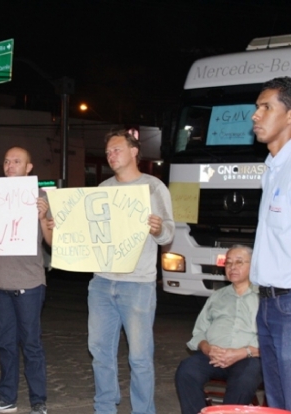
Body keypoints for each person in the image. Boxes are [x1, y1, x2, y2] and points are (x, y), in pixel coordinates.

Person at [88, 130, 174, 414]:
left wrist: (159, 229)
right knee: (100, 353)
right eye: (108, 152)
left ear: (135, 151)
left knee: (139, 358)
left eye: (117, 150)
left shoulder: (153, 188)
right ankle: (104, 408)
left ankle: (143, 411)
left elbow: (168, 234)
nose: (111, 156)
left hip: (137, 284)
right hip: (101, 282)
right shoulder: (102, 188)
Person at [0, 147, 53, 414]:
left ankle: (38, 401)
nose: (10, 165)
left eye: (16, 161)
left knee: (31, 344)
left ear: (29, 168)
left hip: (30, 283)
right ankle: (7, 397)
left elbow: (53, 242)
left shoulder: (41, 197)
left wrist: (43, 218)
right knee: (5, 344)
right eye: (6, 161)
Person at [175, 245, 262, 414]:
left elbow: (272, 338)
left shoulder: (265, 298)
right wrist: (207, 348)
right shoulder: (217, 296)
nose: (232, 267)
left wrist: (243, 352)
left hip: (248, 357)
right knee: (187, 370)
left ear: (253, 265)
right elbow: (199, 331)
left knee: (246, 377)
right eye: (228, 263)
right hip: (213, 356)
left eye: (239, 262)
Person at [250, 76, 291, 410]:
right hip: (267, 304)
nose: (256, 115)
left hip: (289, 305)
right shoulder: (271, 169)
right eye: (256, 107)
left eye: (266, 107)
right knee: (277, 402)